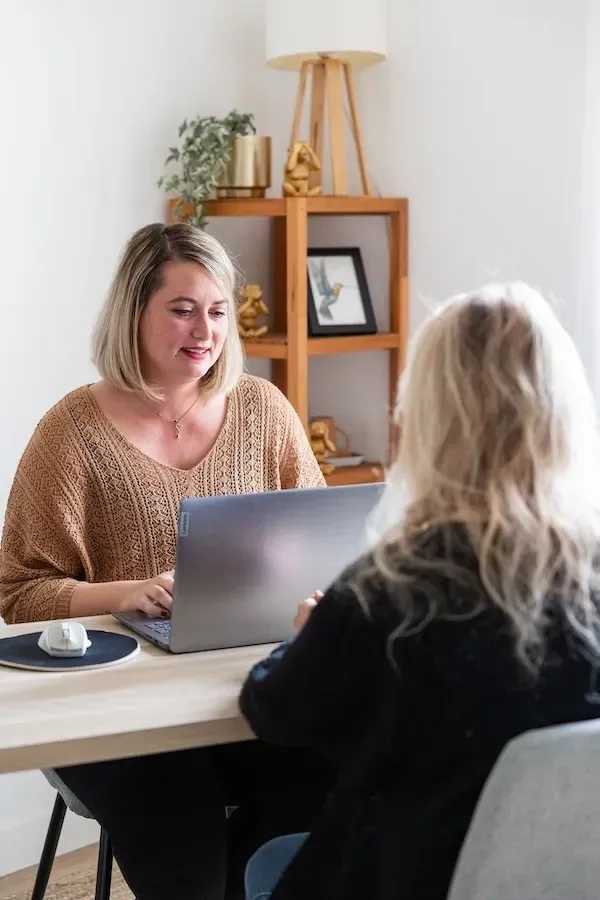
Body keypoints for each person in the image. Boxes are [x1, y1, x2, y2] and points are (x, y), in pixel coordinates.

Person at [0, 222, 332, 900]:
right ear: (134, 312)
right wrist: (126, 593)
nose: (204, 330)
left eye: (216, 311)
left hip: (241, 688)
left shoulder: (264, 411)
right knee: (184, 845)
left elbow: (320, 544)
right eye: (182, 310)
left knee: (324, 785)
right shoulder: (72, 432)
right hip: (113, 713)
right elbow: (17, 590)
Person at [239, 282, 600, 900]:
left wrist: (298, 640)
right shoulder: (586, 580)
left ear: (429, 422)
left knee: (272, 855)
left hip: (401, 877)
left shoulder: (392, 590)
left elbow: (273, 711)